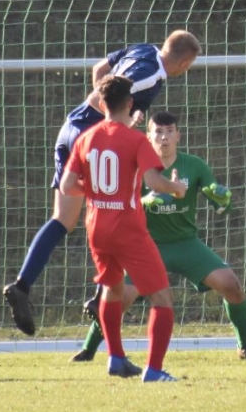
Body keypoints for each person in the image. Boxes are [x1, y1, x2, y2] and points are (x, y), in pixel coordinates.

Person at [3, 30, 202, 336]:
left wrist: (117, 118)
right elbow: (99, 99)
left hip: (70, 129)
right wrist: (119, 123)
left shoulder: (143, 49)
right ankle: (100, 299)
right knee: (119, 209)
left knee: (65, 219)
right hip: (93, 140)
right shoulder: (149, 76)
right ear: (185, 63)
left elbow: (100, 70)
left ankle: (22, 285)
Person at [70, 111, 246, 364]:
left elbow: (220, 203)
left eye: (169, 131)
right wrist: (145, 201)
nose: (164, 137)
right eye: (158, 131)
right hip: (144, 244)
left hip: (186, 244)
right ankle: (88, 350)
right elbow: (117, 202)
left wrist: (222, 199)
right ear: (148, 136)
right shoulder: (133, 164)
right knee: (118, 299)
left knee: (231, 285)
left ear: (178, 135)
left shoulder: (195, 165)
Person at [59, 76, 187, 382]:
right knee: (161, 298)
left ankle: (116, 358)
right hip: (127, 228)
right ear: (130, 103)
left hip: (97, 227)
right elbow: (154, 182)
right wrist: (176, 188)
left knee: (112, 289)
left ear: (102, 103)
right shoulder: (135, 140)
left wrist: (96, 192)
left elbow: (66, 185)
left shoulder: (86, 138)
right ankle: (153, 370)